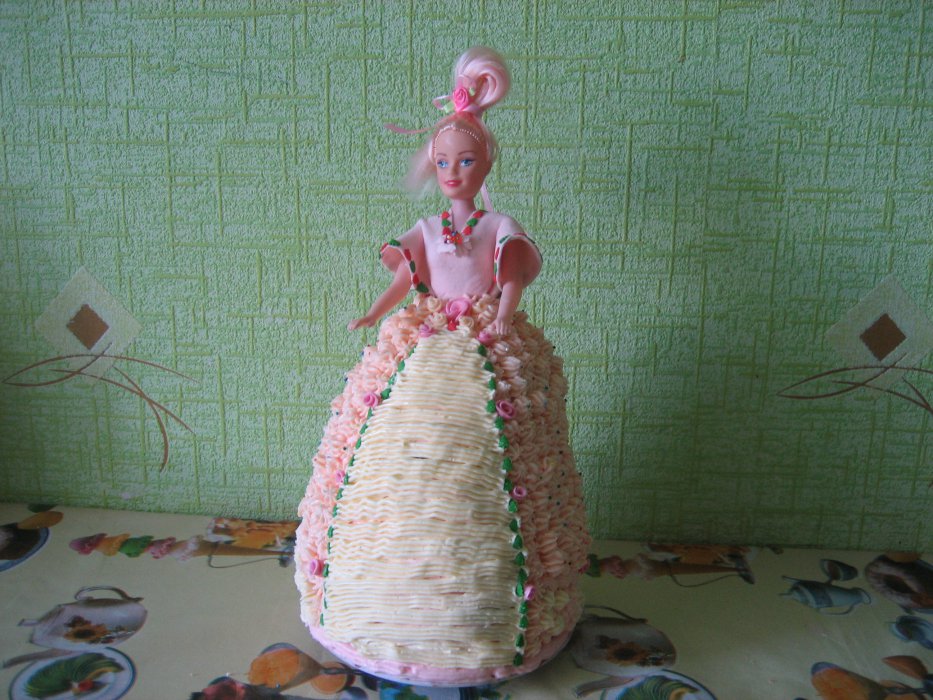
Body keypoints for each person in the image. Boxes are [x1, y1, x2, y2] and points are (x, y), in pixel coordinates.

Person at [295, 47, 590, 687]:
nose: (454, 172)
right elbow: (405, 281)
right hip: (423, 339)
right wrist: (374, 314)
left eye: (466, 161)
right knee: (396, 447)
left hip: (487, 339)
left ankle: (488, 622)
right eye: (444, 162)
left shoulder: (497, 223)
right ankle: (375, 609)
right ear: (433, 168)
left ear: (485, 164)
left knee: (491, 453)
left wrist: (504, 316)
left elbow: (511, 277)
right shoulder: (427, 227)